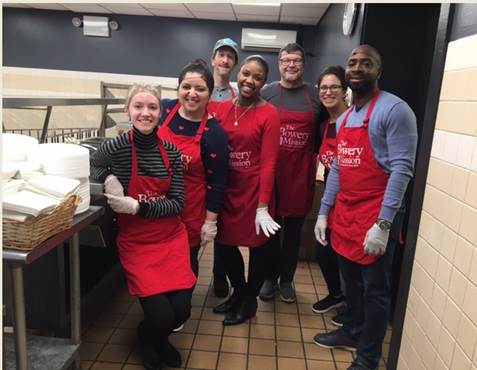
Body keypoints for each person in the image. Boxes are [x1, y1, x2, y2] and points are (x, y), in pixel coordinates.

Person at [313, 45, 418, 370]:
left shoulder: (395, 110)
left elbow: (402, 168)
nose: (358, 68)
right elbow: (340, 169)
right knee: (352, 284)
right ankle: (351, 330)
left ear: (378, 71)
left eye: (366, 63)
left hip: (376, 216)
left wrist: (384, 223)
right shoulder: (345, 118)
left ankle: (368, 357)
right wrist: (323, 212)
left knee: (375, 289)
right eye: (353, 62)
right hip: (346, 213)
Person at [90, 84, 196, 370]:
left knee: (180, 311)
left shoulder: (171, 152)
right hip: (137, 243)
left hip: (171, 240)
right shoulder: (115, 147)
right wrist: (107, 177)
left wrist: (139, 206)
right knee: (161, 317)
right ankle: (148, 338)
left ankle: (158, 339)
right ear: (128, 110)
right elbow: (91, 166)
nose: (145, 113)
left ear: (160, 113)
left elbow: (177, 204)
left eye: (152, 107)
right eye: (138, 106)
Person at [212, 55, 281, 326]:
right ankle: (239, 292)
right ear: (238, 74)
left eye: (258, 77)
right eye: (246, 73)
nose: (249, 81)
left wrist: (263, 206)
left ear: (264, 83)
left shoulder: (268, 114)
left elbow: (269, 163)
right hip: (226, 191)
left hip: (254, 193)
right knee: (225, 245)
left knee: (258, 250)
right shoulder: (220, 110)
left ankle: (249, 301)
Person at [259, 42, 320, 303]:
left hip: (300, 175)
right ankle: (269, 279)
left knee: (293, 235)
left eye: (296, 60)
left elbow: (326, 131)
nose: (291, 65)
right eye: (286, 60)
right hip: (271, 175)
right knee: (271, 232)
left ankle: (287, 281)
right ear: (279, 64)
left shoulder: (316, 96)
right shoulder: (266, 92)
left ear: (303, 64)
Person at [159, 59, 229, 280]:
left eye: (200, 88)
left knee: (184, 267)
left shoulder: (214, 133)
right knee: (157, 263)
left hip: (189, 212)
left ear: (209, 93)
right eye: (186, 87)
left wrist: (210, 221)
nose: (192, 93)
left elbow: (218, 182)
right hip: (154, 207)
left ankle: (179, 311)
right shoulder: (163, 110)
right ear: (178, 88)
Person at [311, 66, 348, 317]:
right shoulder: (324, 125)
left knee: (346, 255)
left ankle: (351, 306)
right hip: (328, 197)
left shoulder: (353, 120)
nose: (328, 92)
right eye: (323, 87)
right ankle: (336, 294)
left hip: (349, 200)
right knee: (323, 249)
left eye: (334, 86)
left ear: (345, 90)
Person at [207, 37, 240, 298]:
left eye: (230, 57)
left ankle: (219, 275)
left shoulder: (238, 95)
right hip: (198, 164)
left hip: (225, 167)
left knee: (220, 226)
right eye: (222, 55)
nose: (225, 60)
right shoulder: (200, 88)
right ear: (213, 59)